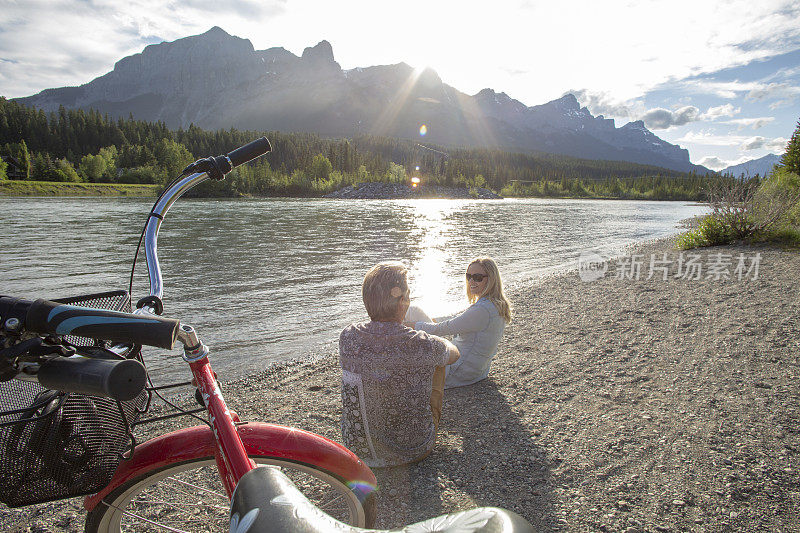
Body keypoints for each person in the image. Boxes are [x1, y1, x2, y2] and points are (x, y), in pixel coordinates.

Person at [340, 261, 460, 468]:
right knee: (438, 362)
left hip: (357, 448)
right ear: (403, 300)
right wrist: (429, 338)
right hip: (411, 451)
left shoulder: (348, 335)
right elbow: (455, 354)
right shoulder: (420, 342)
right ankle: (416, 426)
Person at [411, 257, 512, 388]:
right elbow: (458, 322)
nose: (471, 281)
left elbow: (442, 329)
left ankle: (385, 342)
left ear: (491, 279)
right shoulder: (493, 305)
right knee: (416, 312)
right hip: (476, 370)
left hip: (457, 371)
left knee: (413, 311)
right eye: (468, 276)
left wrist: (411, 326)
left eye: (477, 277)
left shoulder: (482, 310)